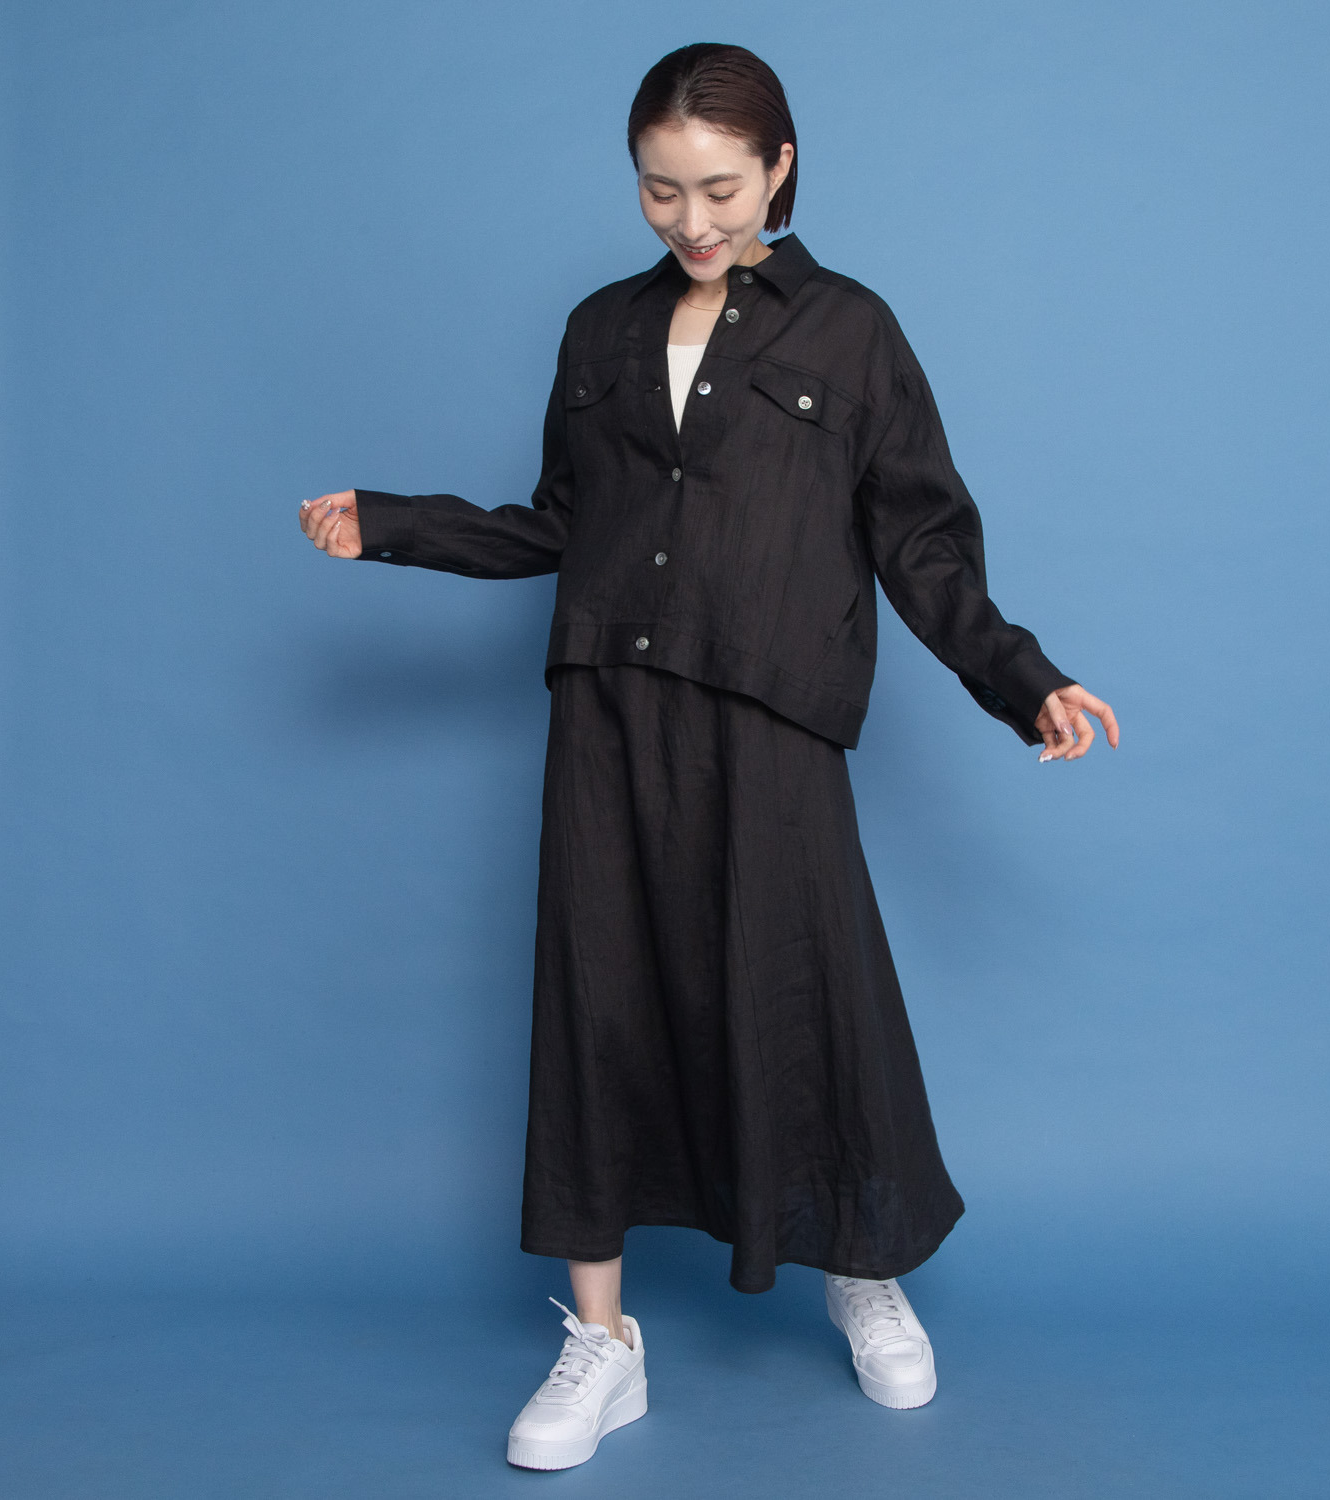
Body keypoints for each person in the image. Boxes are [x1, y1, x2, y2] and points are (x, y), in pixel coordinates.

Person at [298, 42, 1119, 1472]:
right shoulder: (599, 332)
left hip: (771, 711)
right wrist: (399, 524)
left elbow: (921, 542)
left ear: (781, 167)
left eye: (722, 189)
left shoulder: (851, 332)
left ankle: (861, 1266)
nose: (692, 220)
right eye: (660, 190)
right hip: (609, 710)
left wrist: (1023, 678)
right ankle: (603, 1340)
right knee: (597, 999)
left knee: (810, 992)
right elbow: (563, 523)